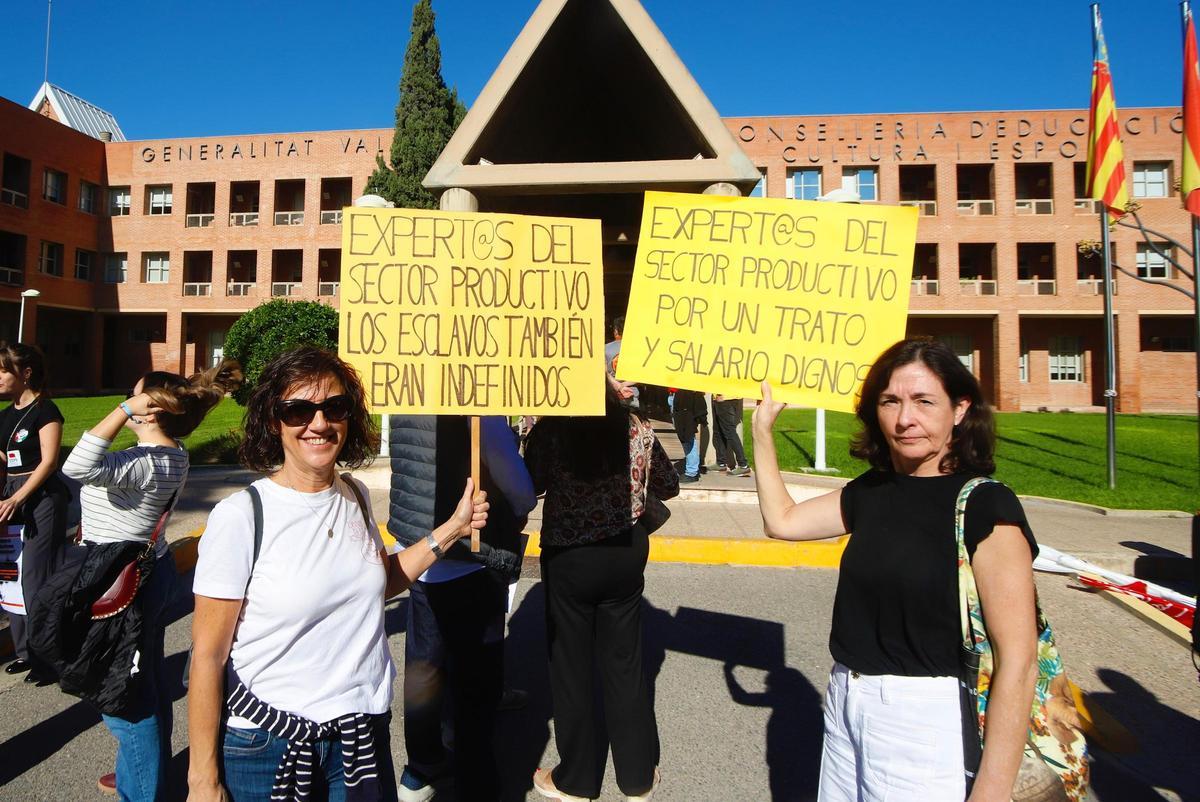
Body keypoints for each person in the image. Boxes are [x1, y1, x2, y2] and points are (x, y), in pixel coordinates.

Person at [187, 347, 488, 802]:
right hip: (269, 747)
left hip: (361, 737)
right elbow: (208, 656)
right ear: (274, 421)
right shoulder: (242, 516)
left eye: (334, 406)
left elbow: (379, 584)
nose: (319, 423)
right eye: (298, 410)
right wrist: (202, 780)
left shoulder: (355, 494)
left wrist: (453, 529)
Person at [751, 337, 1040, 801]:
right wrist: (762, 432)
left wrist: (992, 788)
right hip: (846, 700)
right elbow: (781, 521)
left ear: (960, 409)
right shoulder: (874, 490)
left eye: (924, 401)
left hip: (923, 724)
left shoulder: (986, 505)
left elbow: (1019, 661)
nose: (905, 419)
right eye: (891, 401)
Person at [62, 360, 242, 801]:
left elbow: (76, 466)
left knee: (125, 697)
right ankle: (142, 769)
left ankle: (144, 784)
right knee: (149, 682)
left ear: (150, 409)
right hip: (148, 569)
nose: (128, 402)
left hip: (120, 582)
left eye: (136, 396)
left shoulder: (145, 461)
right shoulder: (172, 454)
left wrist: (126, 406)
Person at [525, 376, 678, 802]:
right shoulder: (637, 425)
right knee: (626, 666)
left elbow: (532, 483)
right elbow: (668, 485)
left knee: (572, 669)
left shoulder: (552, 428)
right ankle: (637, 777)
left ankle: (576, 779)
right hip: (625, 554)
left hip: (570, 556)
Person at [387, 414, 536, 802]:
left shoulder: (405, 401)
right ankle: (475, 779)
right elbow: (518, 486)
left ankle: (420, 769)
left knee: (424, 664)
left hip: (416, 551)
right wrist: (517, 503)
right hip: (467, 559)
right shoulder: (475, 404)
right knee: (475, 683)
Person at [0, 343, 68, 684]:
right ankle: (24, 651)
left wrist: (17, 499)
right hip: (11, 492)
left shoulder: (46, 410)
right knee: (10, 575)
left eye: (3, 370)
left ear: (25, 374)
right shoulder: (5, 414)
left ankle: (48, 656)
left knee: (37, 577)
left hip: (40, 496)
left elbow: (49, 462)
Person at [670, 388, 705, 483]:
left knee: (688, 437)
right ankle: (691, 469)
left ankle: (692, 472)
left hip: (685, 399)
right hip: (675, 396)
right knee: (684, 437)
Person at [710, 394, 750, 477]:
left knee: (730, 432)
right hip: (719, 398)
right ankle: (721, 463)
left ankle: (743, 465)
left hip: (725, 399)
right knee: (718, 431)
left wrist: (720, 393)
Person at [604, 316, 639, 410]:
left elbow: (604, 372)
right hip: (631, 393)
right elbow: (641, 376)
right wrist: (624, 385)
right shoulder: (637, 349)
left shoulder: (605, 348)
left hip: (611, 394)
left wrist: (618, 386)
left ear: (616, 331)